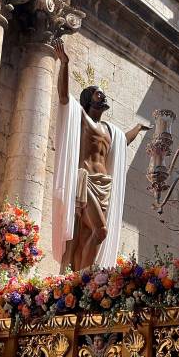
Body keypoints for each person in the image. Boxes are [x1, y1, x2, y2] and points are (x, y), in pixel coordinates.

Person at [52, 39, 149, 271]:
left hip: (103, 185)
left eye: (103, 95)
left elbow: (123, 141)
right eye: (98, 95)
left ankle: (78, 274)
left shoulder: (110, 131)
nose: (103, 98)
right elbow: (64, 98)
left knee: (87, 235)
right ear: (88, 100)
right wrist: (64, 64)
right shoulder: (82, 119)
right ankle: (83, 278)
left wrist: (138, 128)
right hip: (84, 181)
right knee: (100, 230)